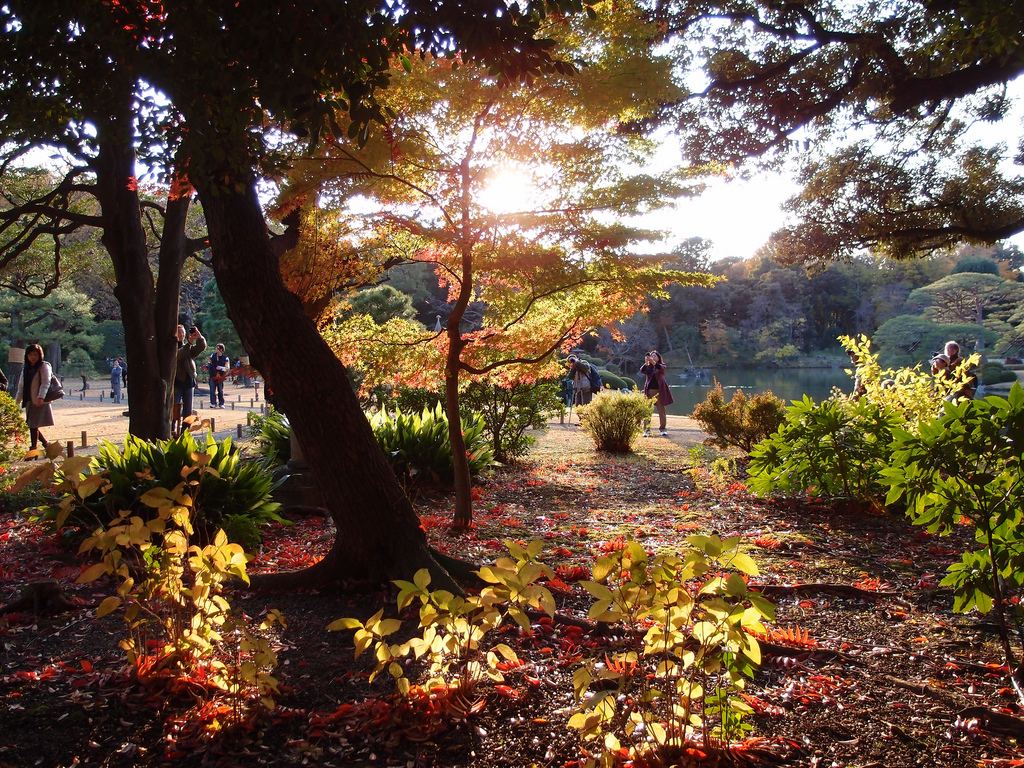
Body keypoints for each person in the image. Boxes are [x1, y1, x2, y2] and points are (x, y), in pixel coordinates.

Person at [18, 343, 54, 458]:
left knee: (32, 425)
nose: (33, 357)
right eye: (30, 354)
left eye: (35, 354)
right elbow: (21, 387)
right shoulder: (26, 368)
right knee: (32, 424)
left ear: (40, 355)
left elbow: (45, 382)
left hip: (38, 400)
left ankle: (33, 450)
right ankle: (46, 444)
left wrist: (41, 397)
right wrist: (16, 403)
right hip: (29, 400)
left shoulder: (44, 366)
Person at [173, 325, 207, 435]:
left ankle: (185, 433)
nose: (181, 335)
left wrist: (199, 337)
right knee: (174, 408)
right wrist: (189, 344)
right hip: (176, 382)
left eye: (183, 333)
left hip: (189, 381)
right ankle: (172, 431)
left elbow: (200, 348)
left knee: (188, 411)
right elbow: (178, 355)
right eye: (179, 333)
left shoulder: (188, 348)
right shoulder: (173, 348)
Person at [640, 350, 674, 437]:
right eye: (652, 356)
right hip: (649, 391)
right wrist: (646, 363)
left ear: (658, 358)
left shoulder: (662, 366)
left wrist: (654, 363)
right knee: (647, 411)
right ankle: (646, 430)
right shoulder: (648, 368)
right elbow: (642, 371)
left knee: (661, 411)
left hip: (660, 391)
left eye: (655, 356)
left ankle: (663, 429)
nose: (653, 357)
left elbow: (661, 369)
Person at [207, 343, 230, 408]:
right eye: (216, 348)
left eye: (218, 348)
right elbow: (209, 363)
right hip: (212, 375)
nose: (216, 350)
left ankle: (221, 403)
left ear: (221, 350)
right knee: (212, 390)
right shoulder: (212, 356)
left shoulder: (225, 358)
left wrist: (221, 368)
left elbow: (227, 368)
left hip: (220, 377)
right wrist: (206, 366)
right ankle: (213, 403)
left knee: (220, 390)